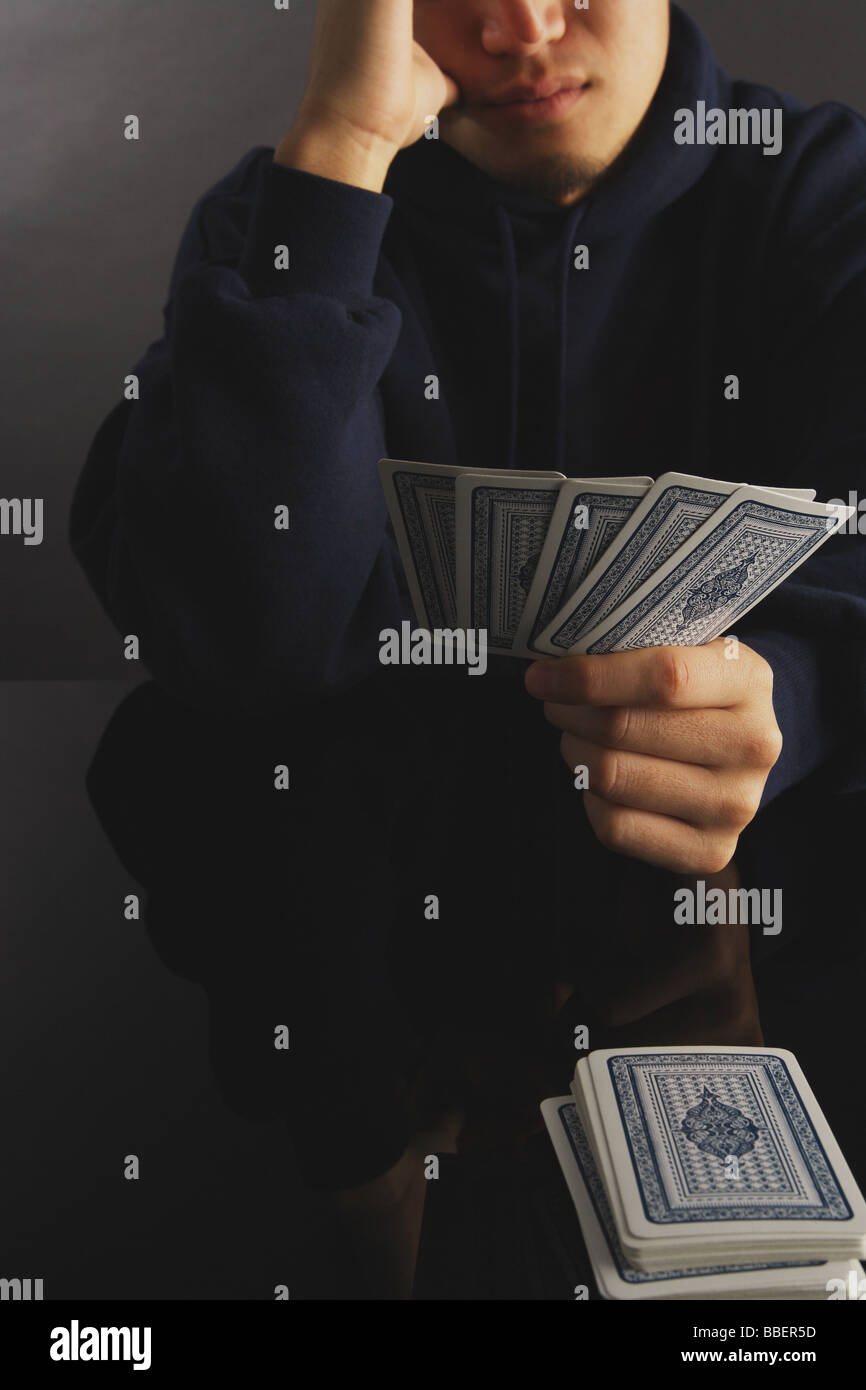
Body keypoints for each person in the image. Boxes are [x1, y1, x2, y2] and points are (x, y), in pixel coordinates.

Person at [71, 0, 866, 1296]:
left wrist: (809, 689)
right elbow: (234, 646)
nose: (520, 22)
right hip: (355, 962)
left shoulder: (822, 191)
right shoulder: (284, 227)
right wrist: (339, 149)